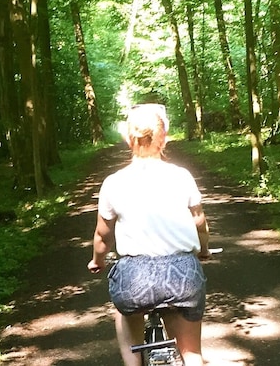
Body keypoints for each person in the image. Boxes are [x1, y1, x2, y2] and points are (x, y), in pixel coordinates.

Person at [87, 103, 211, 366]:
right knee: (192, 354)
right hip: (183, 276)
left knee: (124, 312)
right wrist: (204, 250)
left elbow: (103, 236)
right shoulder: (182, 176)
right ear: (164, 136)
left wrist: (97, 260)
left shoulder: (113, 183)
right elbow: (199, 222)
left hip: (135, 279)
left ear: (127, 139)